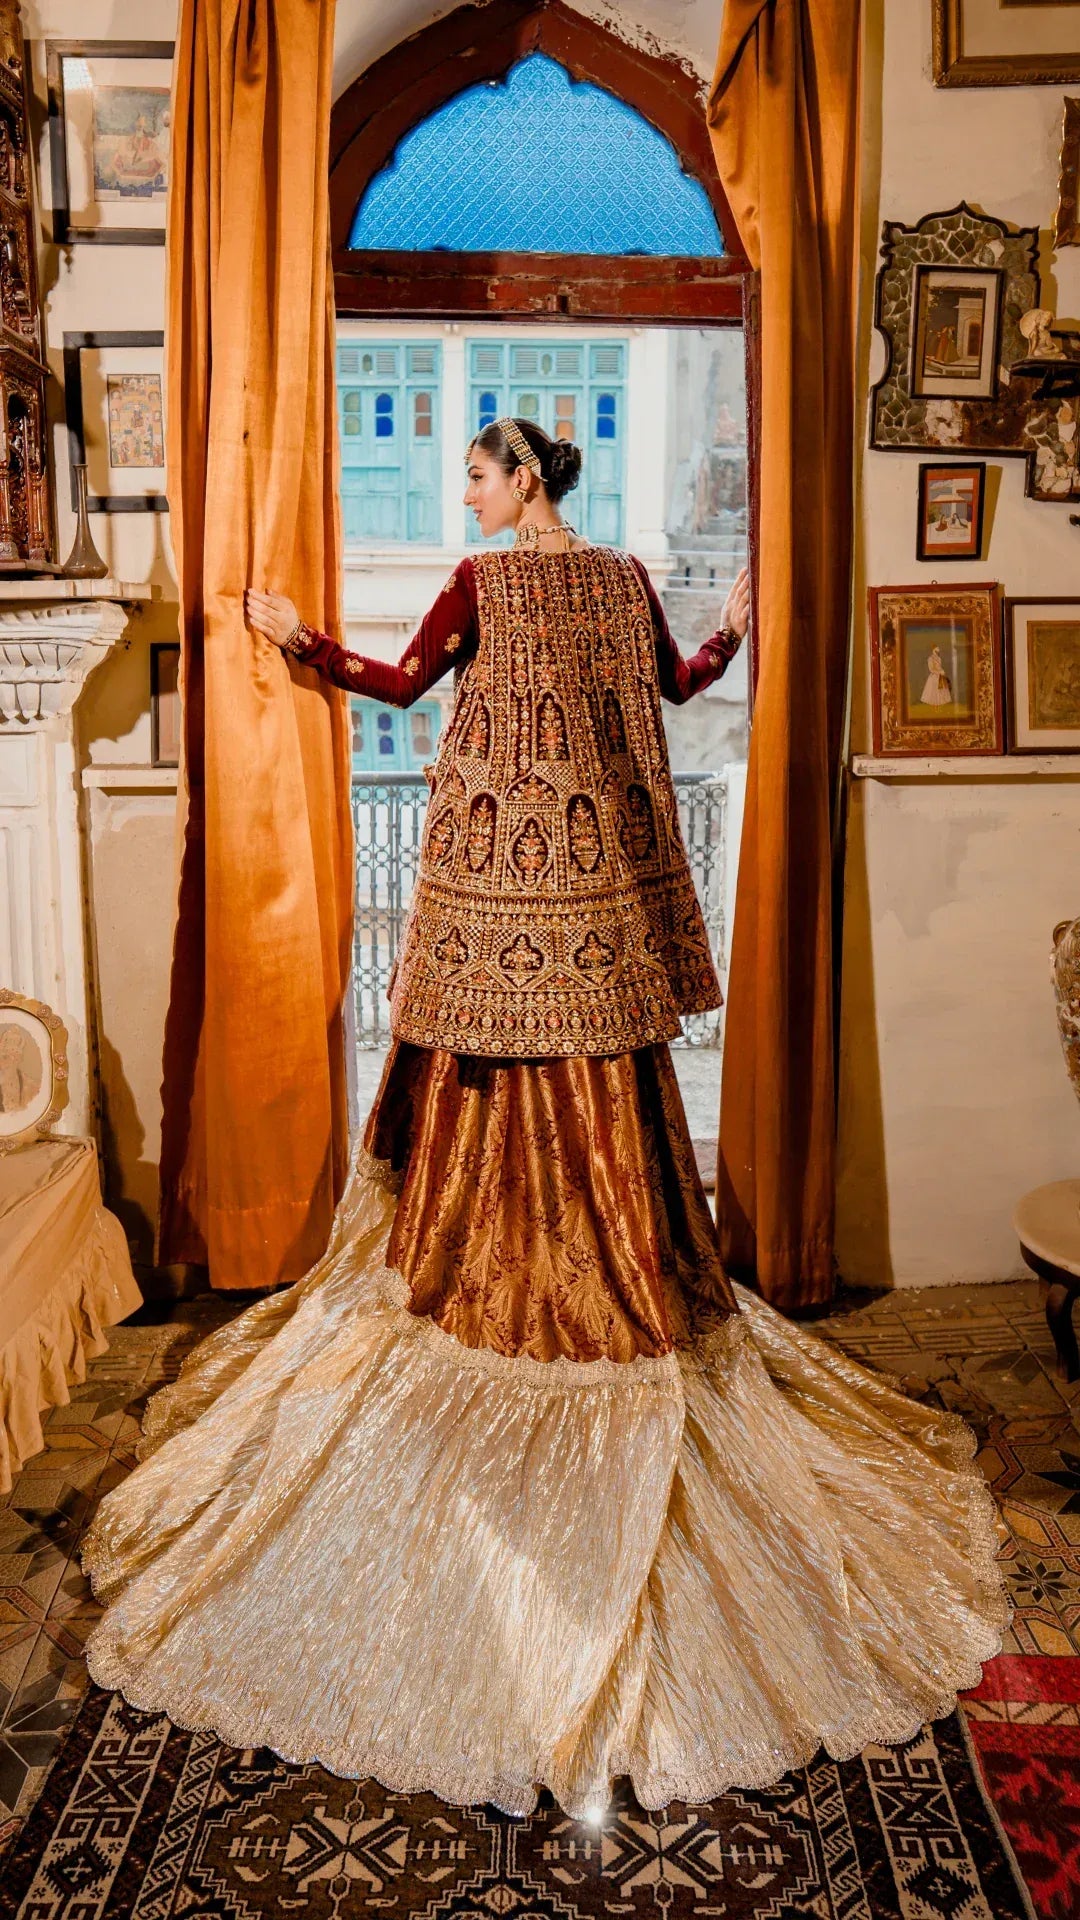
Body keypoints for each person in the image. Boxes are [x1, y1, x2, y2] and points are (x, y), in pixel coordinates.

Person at [80, 417, 1006, 1822]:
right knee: (614, 1100)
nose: (463, 491)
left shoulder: (480, 580)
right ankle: (621, 1270)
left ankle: (485, 1277)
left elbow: (399, 685)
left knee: (481, 1101)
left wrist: (294, 638)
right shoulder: (624, 579)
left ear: (522, 484)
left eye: (475, 473)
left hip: (497, 899)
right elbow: (680, 687)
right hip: (596, 904)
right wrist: (735, 627)